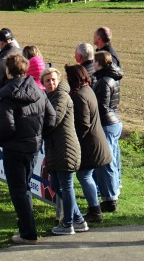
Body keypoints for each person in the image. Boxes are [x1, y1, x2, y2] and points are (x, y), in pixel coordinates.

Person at [0, 53, 55, 245]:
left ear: (8, 70)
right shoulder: (38, 90)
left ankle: (28, 233)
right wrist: (37, 135)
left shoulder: (6, 95)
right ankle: (25, 228)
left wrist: (0, 138)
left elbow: (6, 126)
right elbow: (51, 117)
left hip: (15, 149)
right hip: (32, 147)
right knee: (25, 187)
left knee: (19, 190)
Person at [40, 67, 88, 235]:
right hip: (55, 148)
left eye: (53, 79)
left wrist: (37, 128)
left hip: (66, 148)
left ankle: (68, 224)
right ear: (43, 83)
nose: (51, 82)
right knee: (55, 185)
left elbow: (52, 121)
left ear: (58, 81)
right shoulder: (49, 97)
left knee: (66, 186)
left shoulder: (61, 97)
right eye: (48, 80)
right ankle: (79, 220)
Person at [64, 64, 112, 224]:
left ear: (73, 78)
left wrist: (73, 139)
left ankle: (95, 210)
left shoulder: (79, 95)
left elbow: (83, 124)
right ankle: (95, 208)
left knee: (84, 175)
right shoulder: (88, 90)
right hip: (95, 141)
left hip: (90, 145)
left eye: (67, 76)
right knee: (86, 175)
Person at [92, 50, 123, 213]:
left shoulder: (104, 81)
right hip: (114, 121)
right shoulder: (113, 77)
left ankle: (110, 199)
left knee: (106, 161)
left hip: (106, 124)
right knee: (112, 159)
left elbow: (102, 106)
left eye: (94, 63)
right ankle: (113, 191)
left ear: (98, 63)